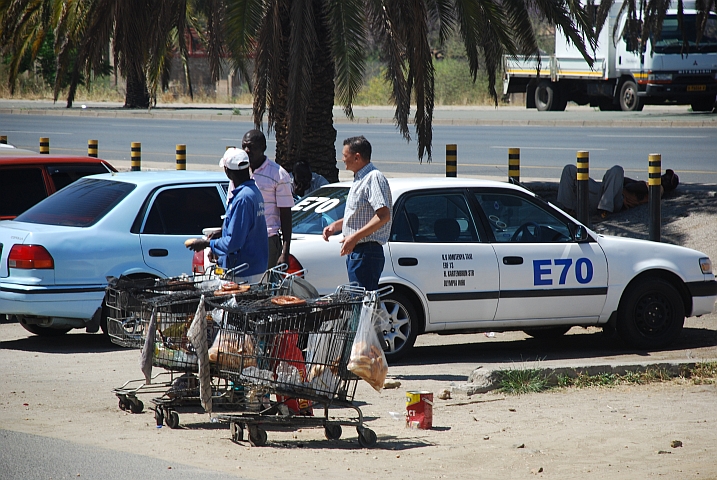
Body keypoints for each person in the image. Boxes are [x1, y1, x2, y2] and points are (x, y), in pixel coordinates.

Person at [185, 148, 268, 283]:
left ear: (227, 172)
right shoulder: (253, 192)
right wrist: (221, 233)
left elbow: (233, 243)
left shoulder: (243, 198)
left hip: (243, 272)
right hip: (253, 269)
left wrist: (207, 244)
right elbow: (244, 229)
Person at [322, 136, 392, 291]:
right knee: (364, 303)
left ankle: (378, 316)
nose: (342, 160)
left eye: (345, 156)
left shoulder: (373, 177)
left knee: (362, 303)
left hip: (367, 251)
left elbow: (383, 215)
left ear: (357, 157)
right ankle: (380, 317)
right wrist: (337, 225)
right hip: (358, 251)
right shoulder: (359, 178)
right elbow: (359, 214)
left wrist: (354, 237)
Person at [241, 130, 294, 269]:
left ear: (263, 148)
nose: (247, 150)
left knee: (264, 286)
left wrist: (285, 252)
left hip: (267, 240)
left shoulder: (278, 174)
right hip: (242, 239)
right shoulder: (239, 171)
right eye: (244, 146)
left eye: (251, 147)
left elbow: (286, 215)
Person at [557, 164, 679, 218]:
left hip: (616, 200)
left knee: (617, 169)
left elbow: (631, 187)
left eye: (667, 178)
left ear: (668, 185)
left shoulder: (658, 189)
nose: (663, 177)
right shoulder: (650, 184)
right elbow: (626, 182)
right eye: (665, 175)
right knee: (570, 170)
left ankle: (604, 212)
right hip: (604, 194)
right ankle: (569, 209)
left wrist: (622, 181)